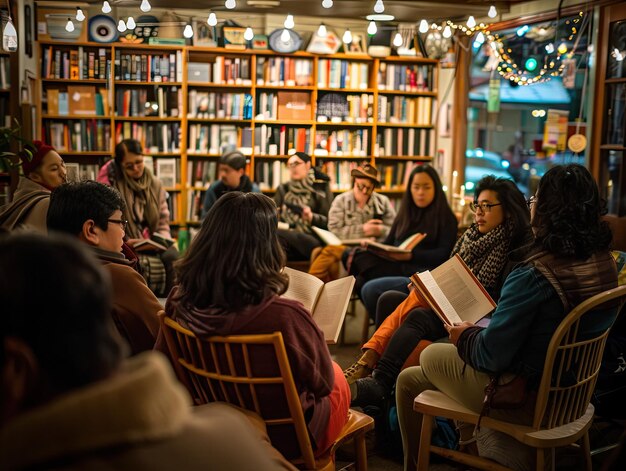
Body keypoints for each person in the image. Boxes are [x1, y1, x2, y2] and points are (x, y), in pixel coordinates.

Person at [0, 233, 296, 471]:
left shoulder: (181, 300)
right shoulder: (232, 433)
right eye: (120, 222)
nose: (125, 230)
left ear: (15, 369)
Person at [396, 164, 618, 471]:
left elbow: (490, 356)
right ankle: (469, 450)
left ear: (548, 210)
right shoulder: (605, 261)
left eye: (536, 199)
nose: (532, 205)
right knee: (408, 379)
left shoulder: (533, 273)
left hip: (528, 399)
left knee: (433, 353)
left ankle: (432, 457)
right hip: (574, 393)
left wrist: (465, 335)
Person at [156, 192, 350, 460]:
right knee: (338, 376)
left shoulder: (179, 300)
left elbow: (166, 367)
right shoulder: (285, 316)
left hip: (217, 428)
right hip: (289, 439)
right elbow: (322, 384)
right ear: (265, 246)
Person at [347, 176, 532, 409]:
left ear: (508, 209)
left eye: (487, 206)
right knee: (392, 298)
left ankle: (377, 372)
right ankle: (378, 386)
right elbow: (450, 270)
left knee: (417, 313)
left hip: (479, 319)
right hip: (453, 305)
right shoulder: (471, 237)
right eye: (477, 205)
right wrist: (430, 284)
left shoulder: (514, 247)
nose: (479, 213)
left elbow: (501, 302)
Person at [47, 180, 162, 355]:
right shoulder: (118, 275)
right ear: (91, 230)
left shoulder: (50, 270)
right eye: (120, 222)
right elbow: (164, 331)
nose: (124, 232)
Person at [349, 164, 458, 316]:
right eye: (416, 187)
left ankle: (387, 324)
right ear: (410, 189)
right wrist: (374, 247)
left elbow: (444, 254)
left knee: (364, 282)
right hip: (396, 263)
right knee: (355, 255)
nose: (420, 192)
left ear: (436, 189)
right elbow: (388, 242)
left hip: (419, 273)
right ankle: (386, 323)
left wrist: (412, 256)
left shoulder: (446, 218)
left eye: (426, 187)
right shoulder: (405, 213)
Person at [98, 138, 177, 295]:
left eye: (139, 162)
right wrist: (126, 241)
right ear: (121, 167)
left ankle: (170, 303)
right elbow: (109, 223)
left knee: (174, 256)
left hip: (152, 240)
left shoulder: (155, 184)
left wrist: (161, 240)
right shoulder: (112, 187)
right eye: (129, 166)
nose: (136, 168)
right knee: (134, 260)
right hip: (124, 241)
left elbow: (162, 220)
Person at [309, 163, 396, 282]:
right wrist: (363, 230)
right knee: (329, 251)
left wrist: (380, 230)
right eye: (361, 186)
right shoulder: (341, 200)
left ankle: (311, 286)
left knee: (327, 253)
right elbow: (334, 231)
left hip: (375, 249)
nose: (364, 191)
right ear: (354, 182)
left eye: (369, 188)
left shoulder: (383, 201)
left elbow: (395, 230)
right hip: (346, 247)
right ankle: (312, 287)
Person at [274, 151, 334, 261]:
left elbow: (331, 222)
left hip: (312, 236)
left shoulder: (320, 188)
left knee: (276, 236)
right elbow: (274, 217)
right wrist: (277, 215)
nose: (293, 168)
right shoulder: (283, 189)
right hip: (286, 237)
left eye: (296, 163)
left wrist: (311, 217)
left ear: (308, 165)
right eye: (290, 165)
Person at [0, 141, 66, 232]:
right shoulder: (49, 204)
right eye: (54, 169)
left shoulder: (22, 198)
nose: (63, 172)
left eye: (63, 164)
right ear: (35, 176)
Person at [200, 150, 260, 217]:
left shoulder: (254, 192)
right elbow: (205, 219)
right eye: (221, 170)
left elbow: (260, 221)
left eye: (226, 170)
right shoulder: (214, 189)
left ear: (241, 172)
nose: (222, 174)